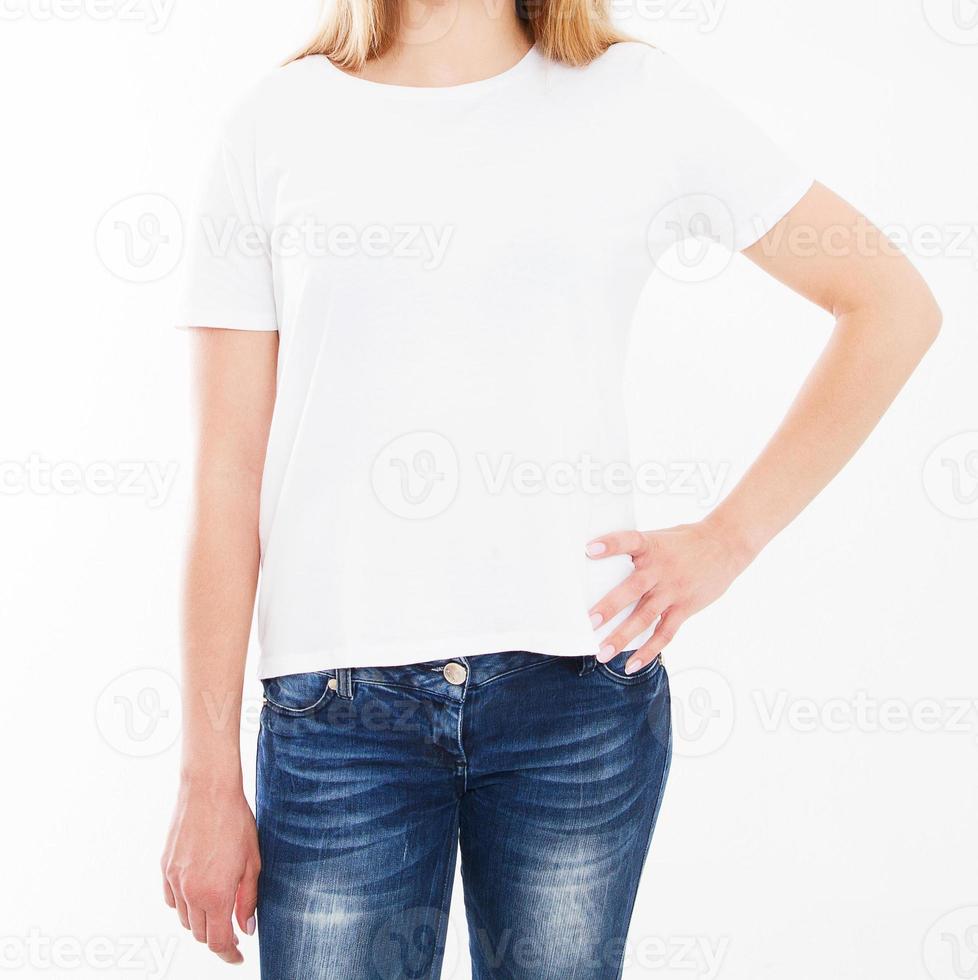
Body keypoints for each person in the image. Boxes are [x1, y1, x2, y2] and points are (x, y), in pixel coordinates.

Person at [160, 1, 942, 976]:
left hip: (573, 704)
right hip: (337, 718)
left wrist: (730, 538)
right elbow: (224, 478)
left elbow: (891, 305)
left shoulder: (634, 98)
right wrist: (204, 772)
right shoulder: (275, 123)